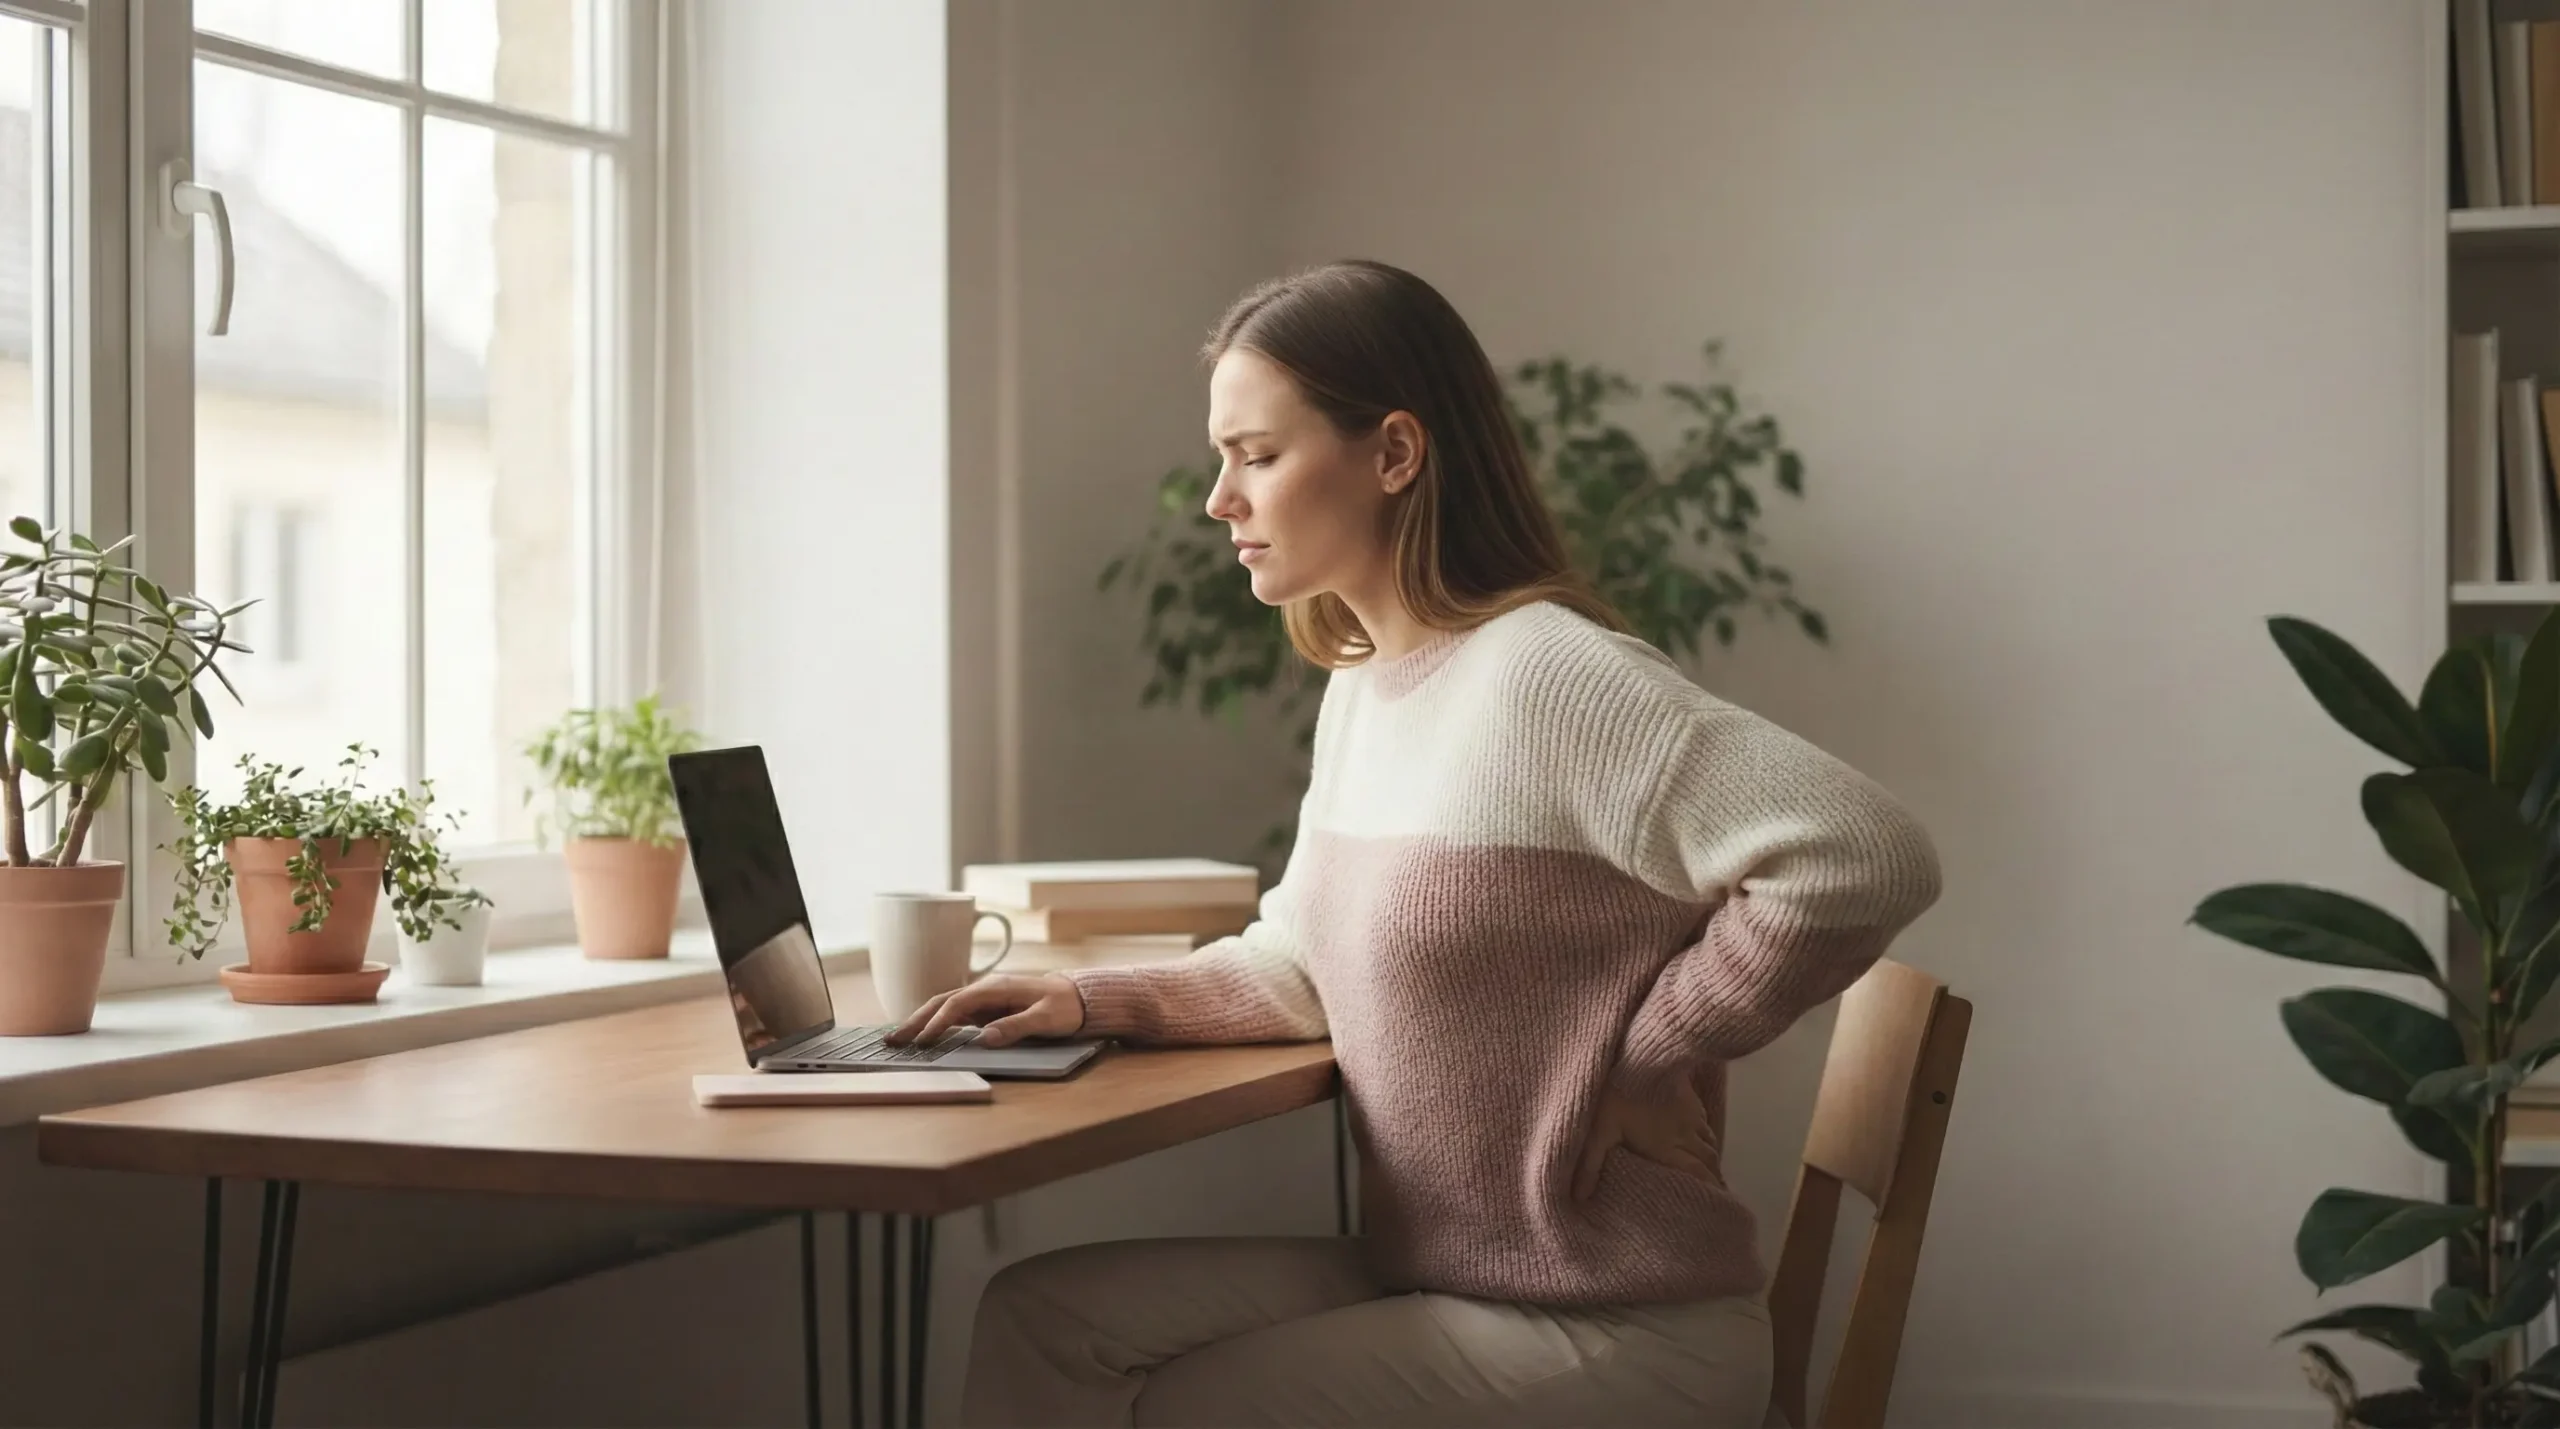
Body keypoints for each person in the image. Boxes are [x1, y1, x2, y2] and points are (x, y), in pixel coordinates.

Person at [887, 259, 1943, 1427]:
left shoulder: (1547, 675)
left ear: (1393, 455)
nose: (1218, 499)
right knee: (1044, 1319)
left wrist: (1649, 1050)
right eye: (1221, 456)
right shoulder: (1367, 685)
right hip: (1446, 1278)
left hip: (1613, 1323)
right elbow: (1297, 963)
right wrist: (1089, 1001)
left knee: (1179, 1406)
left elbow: (1864, 851)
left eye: (1257, 453)